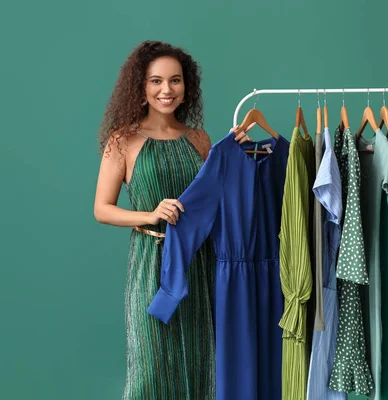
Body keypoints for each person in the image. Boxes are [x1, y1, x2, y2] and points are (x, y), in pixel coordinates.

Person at [93, 40, 253, 400]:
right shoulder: (123, 141)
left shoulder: (199, 139)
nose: (167, 89)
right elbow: (102, 209)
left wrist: (233, 152)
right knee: (151, 369)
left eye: (175, 80)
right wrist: (149, 214)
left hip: (200, 262)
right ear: (141, 87)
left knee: (200, 362)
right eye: (156, 81)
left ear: (187, 86)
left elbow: (216, 198)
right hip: (152, 263)